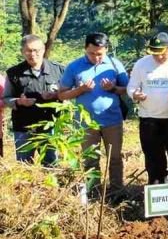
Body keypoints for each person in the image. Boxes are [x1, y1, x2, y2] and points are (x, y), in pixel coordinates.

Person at [58, 33, 129, 192]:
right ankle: (94, 192)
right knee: (90, 159)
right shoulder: (74, 67)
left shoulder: (114, 64)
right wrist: (81, 89)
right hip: (86, 123)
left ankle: (117, 191)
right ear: (85, 49)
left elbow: (128, 90)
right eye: (92, 53)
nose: (96, 57)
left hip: (112, 120)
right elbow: (62, 94)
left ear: (106, 50)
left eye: (100, 54)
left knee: (115, 158)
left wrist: (113, 88)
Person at [127, 33, 168, 186]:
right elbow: (131, 87)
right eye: (155, 53)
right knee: (153, 159)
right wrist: (135, 94)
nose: (158, 57)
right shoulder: (141, 64)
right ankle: (157, 192)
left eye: (162, 53)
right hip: (149, 119)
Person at [3, 35, 65, 165]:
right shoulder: (13, 73)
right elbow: (6, 98)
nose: (33, 54)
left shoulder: (58, 70)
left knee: (51, 164)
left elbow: (69, 93)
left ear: (43, 50)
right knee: (24, 166)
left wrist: (56, 95)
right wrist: (19, 101)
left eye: (36, 50)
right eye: (28, 50)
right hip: (23, 127)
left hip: (50, 125)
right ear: (22, 52)